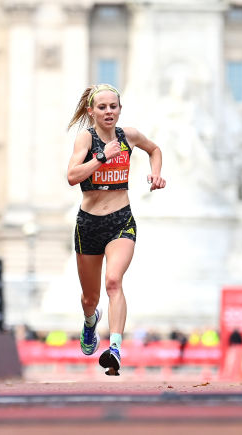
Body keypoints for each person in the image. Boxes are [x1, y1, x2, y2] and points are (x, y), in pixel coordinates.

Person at [66, 83, 166, 376]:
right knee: (90, 298)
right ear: (91, 111)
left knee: (113, 281)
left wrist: (156, 174)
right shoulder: (86, 139)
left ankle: (116, 348)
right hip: (89, 224)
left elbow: (155, 149)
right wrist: (101, 158)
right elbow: (72, 176)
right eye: (102, 107)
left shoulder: (129, 136)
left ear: (120, 109)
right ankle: (89, 322)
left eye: (113, 107)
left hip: (121, 220)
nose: (108, 112)